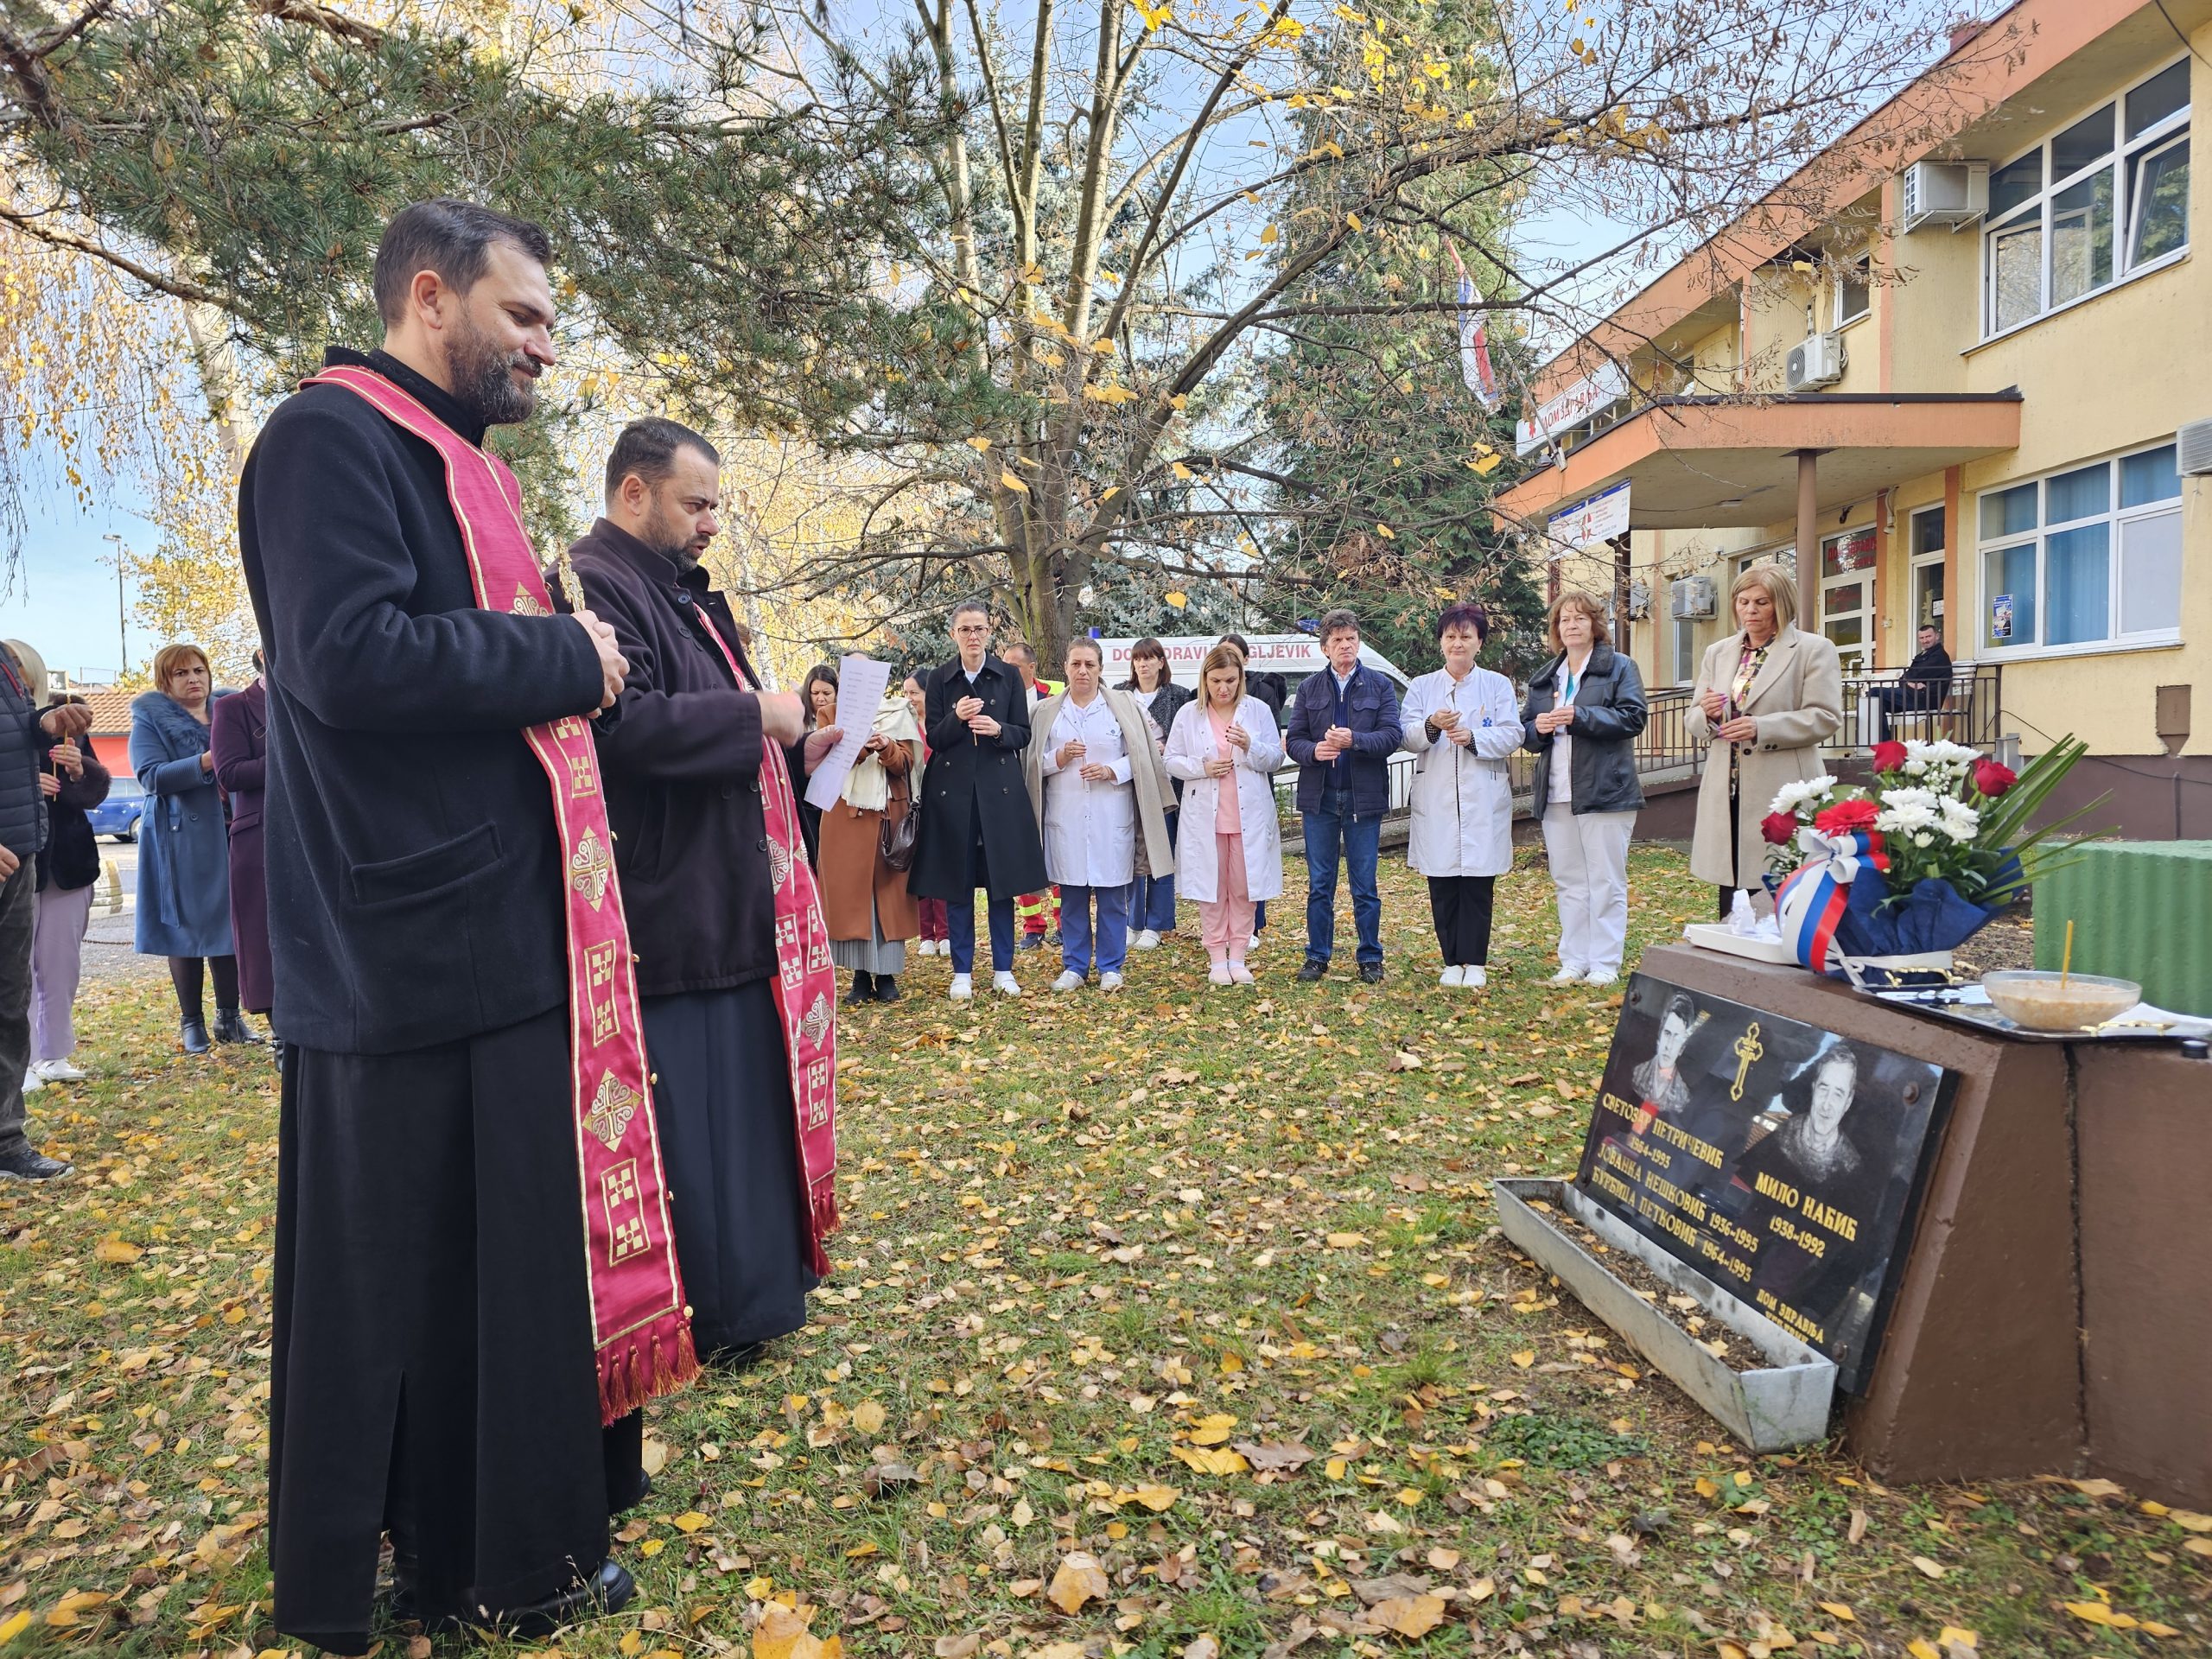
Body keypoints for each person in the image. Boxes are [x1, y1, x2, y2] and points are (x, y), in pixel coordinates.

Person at [240, 199, 677, 1650]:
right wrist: (570, 655)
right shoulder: (327, 440)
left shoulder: (453, 461)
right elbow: (346, 658)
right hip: (407, 952)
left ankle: (507, 1546)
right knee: (413, 1288)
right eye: (526, 316)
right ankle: (458, 1559)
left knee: (502, 1273)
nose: (547, 348)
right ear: (432, 299)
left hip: (501, 934)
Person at [568, 416, 836, 1370]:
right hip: (667, 901)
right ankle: (715, 1311)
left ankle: (764, 1287)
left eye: (715, 505)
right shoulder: (594, 583)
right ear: (633, 493)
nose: (711, 523)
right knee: (699, 1129)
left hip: (729, 889)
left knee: (746, 1110)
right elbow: (620, 728)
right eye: (697, 503)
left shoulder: (681, 592)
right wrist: (752, 713)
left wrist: (792, 734)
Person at [907, 602, 1049, 1000]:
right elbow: (934, 737)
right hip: (952, 798)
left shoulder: (1007, 676)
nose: (973, 636)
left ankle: (1004, 969)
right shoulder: (939, 678)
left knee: (1002, 885)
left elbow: (1023, 733)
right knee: (957, 885)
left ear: (990, 633)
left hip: (999, 796)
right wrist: (956, 716)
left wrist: (997, 729)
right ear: (953, 634)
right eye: (966, 629)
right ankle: (962, 972)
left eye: (980, 629)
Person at [1688, 565, 1843, 916]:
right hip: (1727, 785)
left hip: (1781, 783)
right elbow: (1694, 717)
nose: (1750, 611)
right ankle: (1732, 947)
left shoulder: (1813, 649)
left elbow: (1825, 716)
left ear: (1782, 604)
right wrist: (1708, 714)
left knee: (1777, 875)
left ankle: (1780, 951)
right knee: (1731, 877)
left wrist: (1763, 728)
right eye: (1742, 602)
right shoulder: (1719, 652)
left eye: (1761, 602)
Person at [1022, 639, 1174, 992]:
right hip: (1065, 816)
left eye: (1090, 664)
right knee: (1072, 894)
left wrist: (1111, 771)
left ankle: (1111, 965)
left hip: (1111, 814)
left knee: (1111, 895)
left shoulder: (1123, 706)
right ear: (1065, 667)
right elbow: (1029, 763)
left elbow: (1143, 755)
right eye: (1076, 664)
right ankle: (1075, 965)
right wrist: (1056, 759)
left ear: (1101, 668)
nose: (1083, 671)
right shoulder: (1046, 711)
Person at [1522, 592, 1648, 988]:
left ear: (1595, 624)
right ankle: (1573, 960)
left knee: (1606, 880)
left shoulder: (1619, 667)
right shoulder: (1546, 676)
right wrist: (1537, 730)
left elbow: (1633, 717)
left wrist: (1581, 715)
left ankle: (1605, 962)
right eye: (1564, 620)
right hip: (1557, 791)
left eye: (1579, 618)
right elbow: (1525, 731)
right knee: (1569, 880)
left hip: (1605, 790)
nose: (1571, 625)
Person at [131, 644, 253, 1051]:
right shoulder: (149, 719)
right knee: (184, 929)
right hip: (178, 837)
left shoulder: (230, 710)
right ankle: (191, 1022)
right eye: (182, 673)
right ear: (165, 680)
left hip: (230, 830)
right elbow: (150, 777)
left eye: (199, 670)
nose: (194, 678)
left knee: (230, 925)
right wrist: (205, 761)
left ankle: (230, 1018)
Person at [0, 639, 91, 1180]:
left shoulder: (4, 663)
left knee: (9, 1004)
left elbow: (15, 735)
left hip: (20, 850)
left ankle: (7, 1140)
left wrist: (46, 722)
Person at [1399, 603, 1522, 988]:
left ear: (1479, 643)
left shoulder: (1497, 685)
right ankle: (1451, 959)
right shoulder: (1422, 686)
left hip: (1482, 795)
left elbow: (1513, 733)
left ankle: (1476, 961)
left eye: (1466, 636)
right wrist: (1431, 725)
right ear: (1441, 643)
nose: (1458, 643)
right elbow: (1405, 735)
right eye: (1451, 636)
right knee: (1443, 880)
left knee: (1478, 881)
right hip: (1436, 797)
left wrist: (1473, 738)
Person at [1285, 608, 1402, 983]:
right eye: (1337, 640)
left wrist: (1355, 740)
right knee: (1320, 884)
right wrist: (1314, 751)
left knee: (1364, 883)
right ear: (1325, 648)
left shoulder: (1380, 686)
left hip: (1362, 798)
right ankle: (1317, 956)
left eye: (1350, 638)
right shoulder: (1308, 688)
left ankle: (1370, 956)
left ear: (1358, 642)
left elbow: (1391, 737)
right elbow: (1295, 741)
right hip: (1319, 799)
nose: (1345, 645)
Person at [1164, 645, 1284, 984]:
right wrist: (1202, 767)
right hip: (1206, 817)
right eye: (1216, 680)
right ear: (1205, 679)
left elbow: (1275, 759)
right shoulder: (1190, 713)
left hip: (1248, 818)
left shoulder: (1257, 711)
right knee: (1212, 888)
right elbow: (1170, 760)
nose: (1223, 688)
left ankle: (1239, 955)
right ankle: (1217, 957)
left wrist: (1250, 745)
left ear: (1241, 678)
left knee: (1244, 888)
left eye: (1231, 680)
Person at [818, 671, 923, 1004]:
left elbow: (907, 763)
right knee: (853, 897)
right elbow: (824, 761)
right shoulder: (831, 714)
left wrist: (888, 747)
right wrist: (859, 749)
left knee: (887, 896)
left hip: (887, 815)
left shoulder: (897, 712)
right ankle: (860, 977)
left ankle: (888, 976)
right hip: (845, 817)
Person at [29, 690, 111, 1086]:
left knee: (62, 965)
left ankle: (54, 1054)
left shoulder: (68, 714)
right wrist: (28, 790)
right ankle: (21, 1060)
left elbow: (94, 794)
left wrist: (79, 772)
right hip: (16, 860)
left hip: (70, 861)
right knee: (15, 969)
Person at [211, 652, 274, 1046]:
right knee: (264, 936)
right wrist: (293, 756)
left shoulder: (319, 696)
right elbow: (229, 773)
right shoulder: (233, 707)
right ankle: (282, 1034)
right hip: (261, 837)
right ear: (262, 656)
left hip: (324, 831)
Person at [1122, 638, 1193, 950]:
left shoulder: (1179, 696)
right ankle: (1132, 921)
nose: (1144, 664)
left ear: (1161, 662)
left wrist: (1167, 749)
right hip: (1128, 784)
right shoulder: (1119, 694)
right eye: (1138, 659)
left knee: (1162, 854)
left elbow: (1188, 738)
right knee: (1130, 855)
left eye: (1150, 659)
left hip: (1166, 787)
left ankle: (1156, 924)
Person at [1001, 642, 1061, 950]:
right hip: (1011, 787)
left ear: (1031, 668)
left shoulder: (1053, 696)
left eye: (1013, 666)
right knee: (1020, 858)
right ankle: (1033, 927)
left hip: (1050, 786)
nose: (1007, 671)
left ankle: (1063, 923)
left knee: (1057, 855)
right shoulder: (996, 698)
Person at [903, 672, 950, 957]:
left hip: (942, 803)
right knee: (920, 868)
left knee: (942, 868)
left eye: (915, 693)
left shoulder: (939, 724)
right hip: (914, 806)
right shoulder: (902, 724)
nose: (909, 699)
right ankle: (926, 934)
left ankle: (945, 933)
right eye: (906, 693)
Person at [791, 664, 839, 868]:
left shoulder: (841, 719)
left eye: (827, 693)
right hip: (807, 800)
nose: (821, 698)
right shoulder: (797, 720)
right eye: (815, 693)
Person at [1876, 621, 1953, 740]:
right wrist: (1909, 683)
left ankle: (1883, 743)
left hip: (1924, 700)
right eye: (1921, 638)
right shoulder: (1923, 656)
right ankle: (1883, 743)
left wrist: (1907, 682)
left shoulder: (1938, 657)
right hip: (1912, 696)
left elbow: (1911, 677)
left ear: (1937, 636)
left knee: (1875, 693)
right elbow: (1904, 679)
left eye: (1928, 636)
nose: (1925, 640)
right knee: (1876, 702)